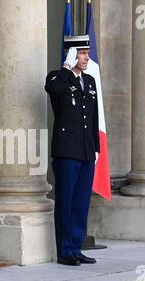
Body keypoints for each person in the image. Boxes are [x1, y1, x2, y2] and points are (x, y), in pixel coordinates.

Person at [45, 35, 100, 266]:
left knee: (80, 203)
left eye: (87, 53)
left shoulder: (90, 81)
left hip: (86, 151)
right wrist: (67, 67)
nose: (87, 58)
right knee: (66, 202)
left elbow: (94, 116)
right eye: (82, 53)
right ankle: (64, 250)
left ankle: (76, 247)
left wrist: (96, 148)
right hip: (66, 152)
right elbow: (53, 90)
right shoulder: (58, 78)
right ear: (71, 54)